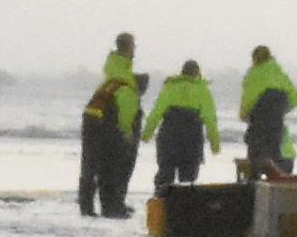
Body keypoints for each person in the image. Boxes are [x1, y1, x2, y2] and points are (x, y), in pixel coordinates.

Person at [79, 35, 142, 218]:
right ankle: (112, 206)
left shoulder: (111, 76)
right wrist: (128, 136)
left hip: (92, 119)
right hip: (107, 126)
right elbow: (126, 115)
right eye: (133, 46)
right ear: (130, 48)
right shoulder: (126, 82)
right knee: (112, 166)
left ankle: (86, 206)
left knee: (90, 165)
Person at [150, 58, 218, 191]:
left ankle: (162, 201)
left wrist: (146, 134)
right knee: (188, 181)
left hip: (169, 137)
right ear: (197, 73)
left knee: (165, 176)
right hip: (192, 140)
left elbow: (156, 112)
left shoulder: (170, 87)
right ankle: (183, 203)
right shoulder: (202, 90)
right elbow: (210, 120)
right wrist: (215, 144)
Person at [237, 44, 297, 177]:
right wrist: (282, 109)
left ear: (254, 59)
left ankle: (254, 180)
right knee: (276, 149)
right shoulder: (279, 73)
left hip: (259, 122)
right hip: (277, 123)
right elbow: (295, 98)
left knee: (255, 155)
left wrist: (244, 115)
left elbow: (248, 100)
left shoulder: (254, 74)